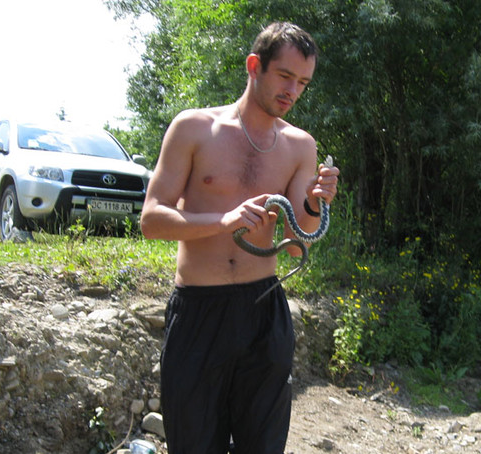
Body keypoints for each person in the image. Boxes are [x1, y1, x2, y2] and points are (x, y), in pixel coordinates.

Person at [140, 22, 339, 453]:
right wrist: (223, 220)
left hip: (264, 311)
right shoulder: (193, 129)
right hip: (199, 311)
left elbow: (299, 235)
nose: (293, 91)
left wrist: (313, 201)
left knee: (262, 447)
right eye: (285, 76)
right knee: (193, 444)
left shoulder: (300, 146)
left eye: (303, 83)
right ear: (255, 66)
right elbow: (152, 219)